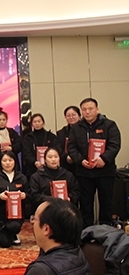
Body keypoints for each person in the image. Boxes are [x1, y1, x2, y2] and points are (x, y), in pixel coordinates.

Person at [67, 97, 121, 227]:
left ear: (97, 109)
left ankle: (105, 229)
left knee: (106, 203)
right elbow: (71, 147)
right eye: (84, 109)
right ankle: (87, 230)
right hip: (84, 172)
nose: (87, 112)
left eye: (90, 109)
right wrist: (80, 160)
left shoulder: (109, 125)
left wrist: (104, 159)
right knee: (85, 204)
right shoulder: (76, 128)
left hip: (105, 171)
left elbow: (115, 145)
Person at [0, 151, 28, 248]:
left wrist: (25, 195)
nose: (8, 163)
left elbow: (30, 195)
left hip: (16, 215)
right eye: (4, 160)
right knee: (5, 244)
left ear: (15, 161)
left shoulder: (22, 178)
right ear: (0, 162)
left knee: (14, 227)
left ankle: (13, 233)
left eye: (10, 160)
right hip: (0, 215)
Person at [21, 113, 60, 178]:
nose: (37, 123)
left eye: (39, 121)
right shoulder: (28, 138)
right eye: (35, 122)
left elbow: (56, 149)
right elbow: (26, 153)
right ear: (32, 124)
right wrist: (34, 162)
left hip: (50, 167)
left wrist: (48, 160)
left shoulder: (50, 136)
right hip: (32, 169)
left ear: (43, 122)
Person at [56, 105, 81, 174]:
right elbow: (58, 148)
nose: (71, 117)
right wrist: (66, 156)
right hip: (66, 165)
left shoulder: (85, 130)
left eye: (73, 115)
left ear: (79, 116)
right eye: (68, 116)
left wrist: (77, 157)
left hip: (82, 163)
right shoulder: (61, 133)